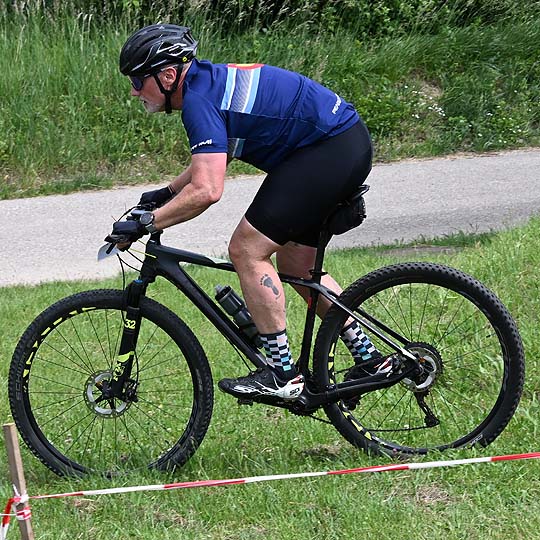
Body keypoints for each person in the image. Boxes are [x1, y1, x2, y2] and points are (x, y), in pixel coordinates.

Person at [112, 23, 392, 402]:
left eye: (137, 80)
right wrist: (166, 193)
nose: (133, 90)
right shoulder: (204, 85)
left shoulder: (198, 101)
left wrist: (146, 223)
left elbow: (208, 190)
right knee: (296, 267)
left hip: (327, 150)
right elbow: (212, 158)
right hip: (338, 145)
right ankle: (371, 359)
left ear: (167, 76)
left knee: (246, 249)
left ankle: (282, 374)